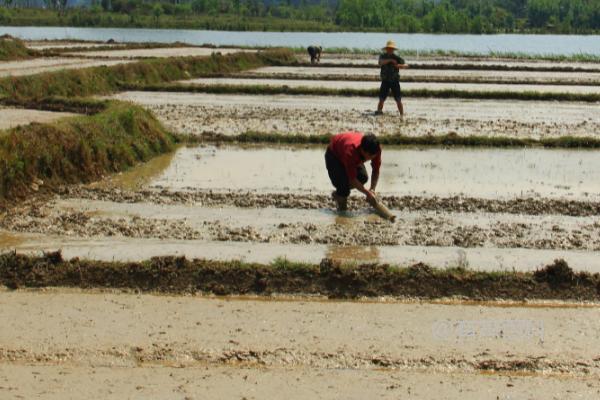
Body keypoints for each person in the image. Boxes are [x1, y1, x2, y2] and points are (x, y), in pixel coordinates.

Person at [325, 131, 382, 211]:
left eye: (374, 155)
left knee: (363, 177)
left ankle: (339, 194)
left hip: (349, 153)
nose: (372, 158)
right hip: (334, 154)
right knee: (343, 187)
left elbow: (376, 170)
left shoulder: (376, 149)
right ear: (363, 150)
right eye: (370, 156)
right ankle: (342, 211)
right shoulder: (351, 152)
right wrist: (367, 193)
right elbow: (352, 179)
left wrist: (372, 189)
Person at [376, 40, 409, 117]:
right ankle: (379, 111)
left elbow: (407, 65)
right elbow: (380, 63)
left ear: (393, 49)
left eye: (391, 48)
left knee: (398, 99)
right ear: (386, 49)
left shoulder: (397, 57)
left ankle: (402, 114)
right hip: (385, 80)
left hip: (395, 81)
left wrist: (399, 66)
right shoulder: (383, 56)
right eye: (388, 48)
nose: (390, 50)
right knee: (381, 99)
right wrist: (390, 60)